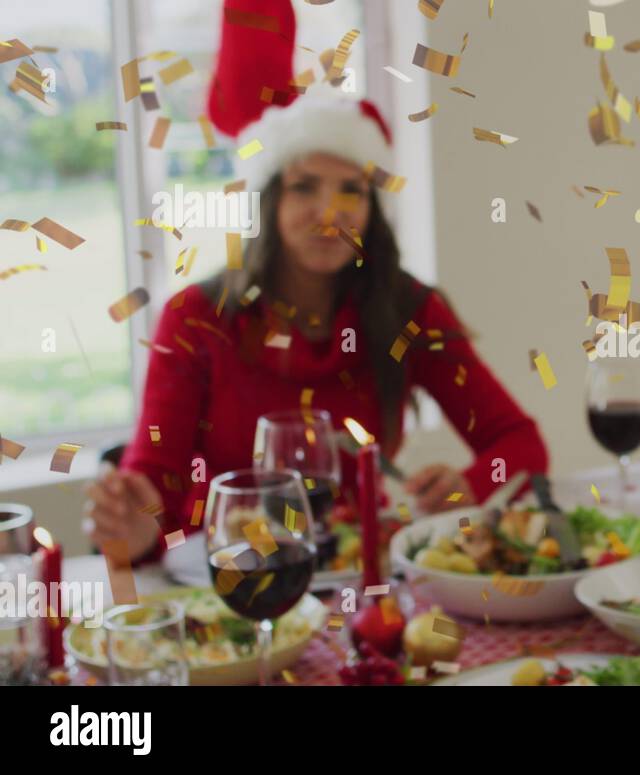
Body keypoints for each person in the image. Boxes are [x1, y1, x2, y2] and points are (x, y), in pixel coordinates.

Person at [84, 2, 548, 565]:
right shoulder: (195, 318)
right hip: (230, 579)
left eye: (351, 190)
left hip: (363, 577)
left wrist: (470, 485)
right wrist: (133, 529)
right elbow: (152, 487)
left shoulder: (410, 308)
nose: (331, 212)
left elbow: (519, 446)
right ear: (271, 200)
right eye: (305, 187)